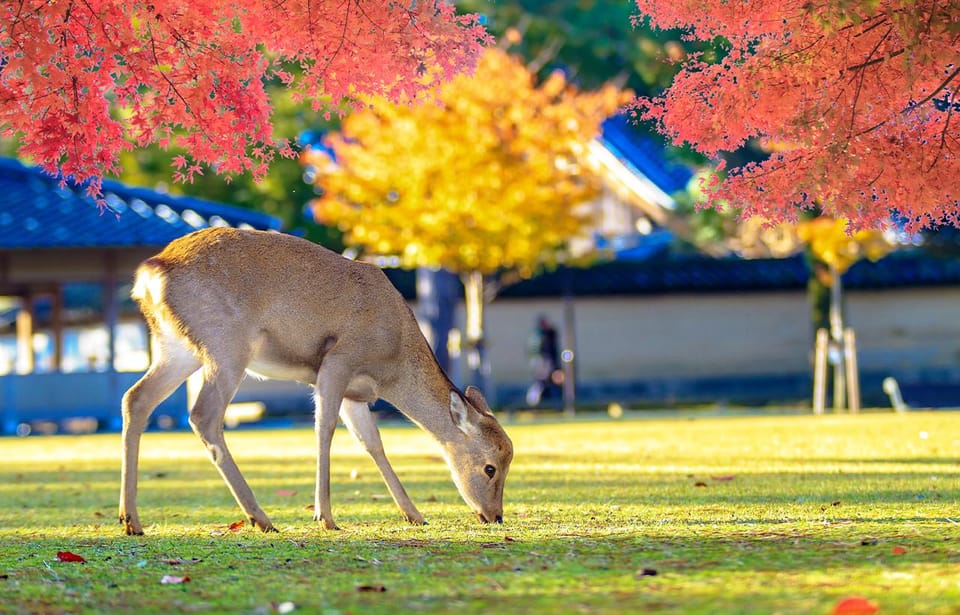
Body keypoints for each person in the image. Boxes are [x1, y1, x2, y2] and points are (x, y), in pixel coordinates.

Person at [526, 315, 562, 406]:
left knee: (546, 383)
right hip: (543, 363)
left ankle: (552, 402)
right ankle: (533, 401)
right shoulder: (540, 336)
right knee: (541, 382)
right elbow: (543, 352)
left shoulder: (540, 335)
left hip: (544, 363)